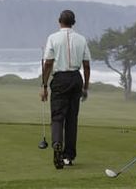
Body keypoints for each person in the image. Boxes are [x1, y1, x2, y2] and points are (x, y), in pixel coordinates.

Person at [40, 9, 91, 169]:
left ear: (59, 21)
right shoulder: (81, 39)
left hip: (60, 79)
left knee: (57, 117)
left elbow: (48, 62)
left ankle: (56, 144)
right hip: (76, 78)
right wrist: (85, 87)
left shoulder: (53, 38)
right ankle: (68, 157)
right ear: (73, 23)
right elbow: (87, 65)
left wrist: (44, 85)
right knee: (71, 119)